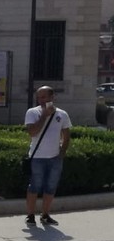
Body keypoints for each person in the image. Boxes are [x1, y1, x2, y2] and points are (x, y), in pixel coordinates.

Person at [24, 85, 71, 227]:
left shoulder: (62, 114)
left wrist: (62, 153)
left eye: (44, 97)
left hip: (55, 158)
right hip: (37, 157)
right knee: (34, 186)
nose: (41, 100)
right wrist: (44, 115)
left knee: (51, 187)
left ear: (52, 97)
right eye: (39, 97)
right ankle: (30, 215)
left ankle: (45, 215)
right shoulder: (32, 112)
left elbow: (66, 135)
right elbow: (32, 132)